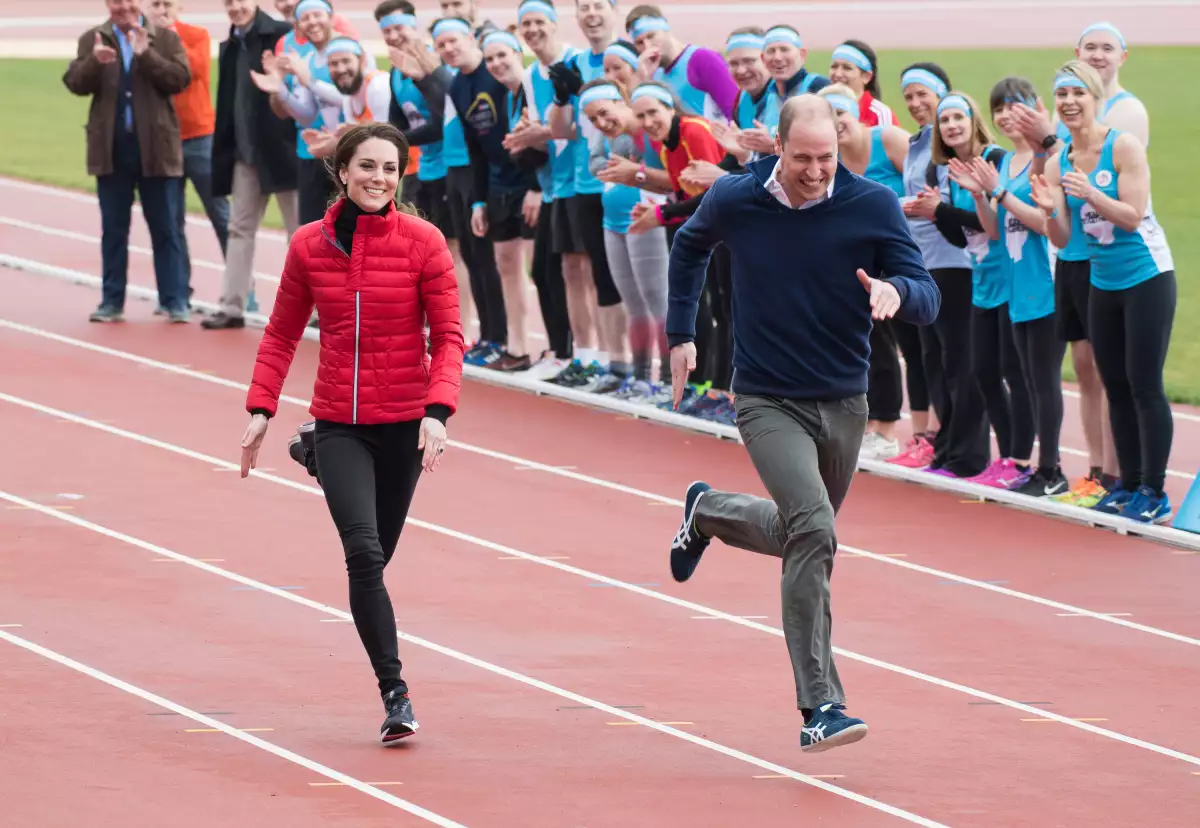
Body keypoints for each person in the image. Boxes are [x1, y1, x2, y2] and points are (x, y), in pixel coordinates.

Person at [665, 95, 940, 752]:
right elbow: (689, 242)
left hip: (843, 400)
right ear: (778, 148)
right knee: (816, 529)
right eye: (804, 159)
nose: (818, 172)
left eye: (827, 159)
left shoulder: (869, 203)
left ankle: (706, 514)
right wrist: (681, 333)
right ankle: (822, 703)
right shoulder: (738, 199)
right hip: (765, 397)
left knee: (801, 533)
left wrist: (897, 292)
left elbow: (925, 294)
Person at [239, 123, 465, 744]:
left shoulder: (424, 243)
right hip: (340, 420)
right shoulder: (309, 245)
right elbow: (282, 332)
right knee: (363, 555)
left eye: (390, 169)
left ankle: (313, 454)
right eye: (367, 167)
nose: (379, 179)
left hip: (404, 431)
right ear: (342, 171)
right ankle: (396, 695)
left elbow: (448, 338)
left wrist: (437, 412)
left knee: (378, 560)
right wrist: (261, 407)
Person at [1031, 60, 1175, 524]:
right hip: (1101, 280)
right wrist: (1051, 210)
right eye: (1063, 95)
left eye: (1079, 93)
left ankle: (1154, 489)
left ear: (1095, 99)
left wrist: (1091, 193)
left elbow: (1133, 216)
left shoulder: (1123, 146)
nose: (1070, 102)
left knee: (1144, 383)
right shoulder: (1058, 162)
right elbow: (1060, 237)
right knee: (1115, 382)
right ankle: (1128, 484)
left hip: (1147, 275)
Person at [63, 0, 192, 324]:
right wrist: (94, 62)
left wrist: (146, 54)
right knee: (114, 229)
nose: (122, 8)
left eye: (128, 2)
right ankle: (111, 301)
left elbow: (179, 79)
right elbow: (74, 83)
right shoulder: (94, 38)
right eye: (115, 2)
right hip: (111, 150)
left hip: (156, 149)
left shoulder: (164, 38)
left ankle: (175, 301)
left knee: (165, 228)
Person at [202, 0, 300, 331]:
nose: (235, 7)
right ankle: (231, 305)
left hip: (283, 152)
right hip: (246, 155)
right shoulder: (230, 44)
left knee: (301, 235)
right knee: (239, 229)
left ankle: (313, 311)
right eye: (228, 2)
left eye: (240, 0)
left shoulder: (282, 35)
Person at [147, 0, 230, 312]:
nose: (162, 9)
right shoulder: (140, 39)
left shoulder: (195, 34)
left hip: (198, 136)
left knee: (220, 213)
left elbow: (192, 70)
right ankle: (177, 293)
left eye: (167, 3)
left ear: (178, 7)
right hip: (162, 141)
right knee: (170, 219)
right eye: (155, 4)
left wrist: (166, 35)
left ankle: (241, 290)